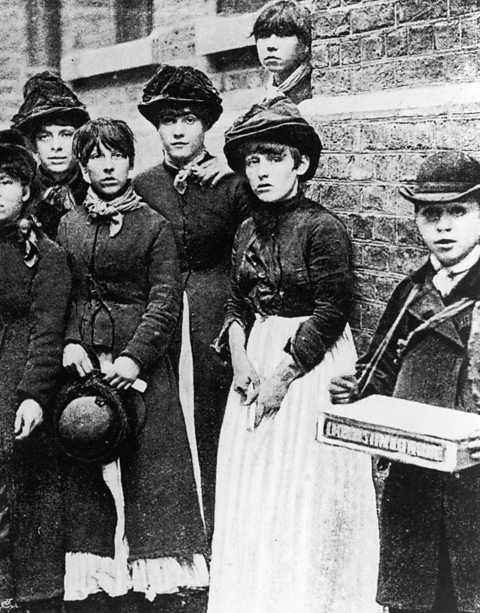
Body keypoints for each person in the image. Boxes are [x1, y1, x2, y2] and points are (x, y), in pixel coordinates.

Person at [207, 96, 380, 613]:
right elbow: (237, 300)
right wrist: (239, 355)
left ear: (300, 164)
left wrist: (282, 375)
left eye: (274, 158)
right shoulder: (245, 229)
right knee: (254, 485)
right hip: (257, 355)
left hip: (311, 363)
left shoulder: (322, 227)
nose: (260, 171)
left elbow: (332, 311)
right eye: (252, 161)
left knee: (303, 487)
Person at [57, 118, 207, 613]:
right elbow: (68, 293)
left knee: (149, 469)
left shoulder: (153, 225)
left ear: (129, 160)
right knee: (89, 464)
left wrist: (133, 356)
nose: (107, 165)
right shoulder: (70, 224)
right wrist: (72, 341)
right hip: (85, 367)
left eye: (116, 155)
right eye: (95, 156)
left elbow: (165, 302)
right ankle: (101, 576)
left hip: (138, 367)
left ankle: (157, 582)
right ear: (83, 165)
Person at [330, 151, 480, 613]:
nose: (444, 227)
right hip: (415, 475)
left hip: (474, 481)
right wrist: (358, 394)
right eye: (430, 215)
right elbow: (382, 368)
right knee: (415, 594)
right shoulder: (412, 290)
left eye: (459, 212)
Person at [134, 64, 252, 537]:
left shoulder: (233, 184)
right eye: (168, 120)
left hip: (214, 318)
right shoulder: (143, 186)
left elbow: (252, 253)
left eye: (189, 119)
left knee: (216, 421)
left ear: (207, 125)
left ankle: (224, 534)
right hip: (162, 316)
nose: (179, 130)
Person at [0, 129, 71, 613]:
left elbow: (48, 334)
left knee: (15, 489)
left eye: (4, 181)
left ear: (26, 190)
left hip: (15, 378)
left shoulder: (48, 257)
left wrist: (31, 394)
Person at [11, 71, 90, 238]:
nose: (56, 147)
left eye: (66, 135)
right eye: (45, 137)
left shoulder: (98, 196)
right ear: (33, 144)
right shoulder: (15, 201)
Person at [253, 0, 312, 104]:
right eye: (264, 36)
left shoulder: (313, 89)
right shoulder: (269, 93)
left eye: (283, 35)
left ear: (305, 44)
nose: (271, 45)